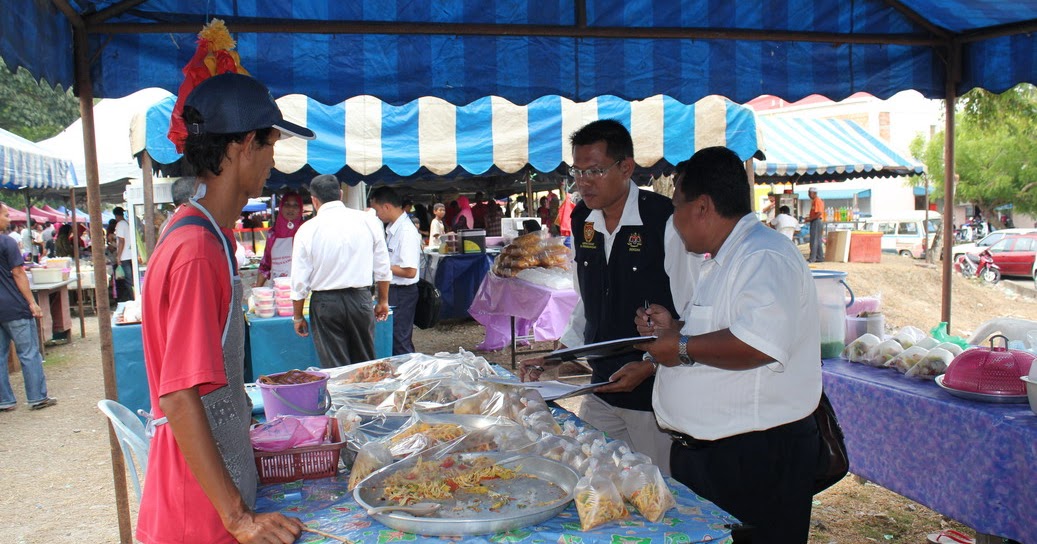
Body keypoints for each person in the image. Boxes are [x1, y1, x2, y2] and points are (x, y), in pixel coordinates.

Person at [136, 72, 313, 544]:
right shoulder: (197, 250)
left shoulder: (206, 233)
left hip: (208, 495)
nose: (273, 161)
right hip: (199, 513)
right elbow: (178, 396)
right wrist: (237, 517)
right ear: (245, 145)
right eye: (271, 145)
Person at [637, 146, 822, 542]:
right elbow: (726, 328)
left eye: (677, 206)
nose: (674, 219)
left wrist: (681, 347)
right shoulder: (726, 257)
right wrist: (675, 328)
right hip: (716, 457)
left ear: (702, 207)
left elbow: (759, 344)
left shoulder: (764, 255)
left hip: (754, 460)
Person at [521, 119, 677, 472]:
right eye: (577, 172)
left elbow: (690, 306)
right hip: (602, 385)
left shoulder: (663, 218)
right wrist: (558, 355)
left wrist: (650, 365)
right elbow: (587, 300)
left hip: (654, 391)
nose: (584, 182)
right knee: (593, 475)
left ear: (626, 168)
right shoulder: (582, 219)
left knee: (657, 486)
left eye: (595, 170)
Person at [291, 174, 391, 367]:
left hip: (326, 304)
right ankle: (365, 388)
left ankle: (341, 389)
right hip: (360, 300)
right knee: (365, 364)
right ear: (340, 194)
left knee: (335, 367)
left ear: (314, 200)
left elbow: (299, 280)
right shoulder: (367, 220)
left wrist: (297, 316)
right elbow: (382, 266)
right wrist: (383, 300)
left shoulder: (307, 229)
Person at [0, 203, 57, 413]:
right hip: (14, 306)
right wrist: (32, 302)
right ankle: (37, 397)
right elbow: (18, 273)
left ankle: (5, 400)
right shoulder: (6, 242)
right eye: (6, 215)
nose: (9, 219)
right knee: (28, 352)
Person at [368, 186, 422, 355]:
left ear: (386, 207)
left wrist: (381, 265)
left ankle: (409, 370)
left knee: (400, 340)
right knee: (393, 338)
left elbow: (410, 271)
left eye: (377, 210)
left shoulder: (406, 231)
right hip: (394, 290)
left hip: (402, 292)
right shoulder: (393, 228)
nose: (377, 215)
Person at [254, 191, 304, 287]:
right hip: (278, 289)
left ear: (300, 209)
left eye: (295, 205)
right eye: (287, 204)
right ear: (281, 207)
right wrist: (257, 289)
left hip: (300, 289)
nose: (291, 209)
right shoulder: (272, 234)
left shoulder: (306, 231)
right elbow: (265, 265)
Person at [113, 206, 134, 296]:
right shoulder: (127, 223)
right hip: (130, 255)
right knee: (131, 279)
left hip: (125, 256)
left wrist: (118, 256)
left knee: (129, 281)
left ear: (116, 215)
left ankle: (133, 297)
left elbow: (121, 241)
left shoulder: (120, 224)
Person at [806, 187, 826, 262]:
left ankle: (813, 258)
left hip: (816, 221)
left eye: (809, 193)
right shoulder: (814, 201)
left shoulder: (817, 201)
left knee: (814, 240)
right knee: (818, 240)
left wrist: (810, 219)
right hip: (815, 220)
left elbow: (819, 213)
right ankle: (819, 257)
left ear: (814, 193)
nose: (808, 194)